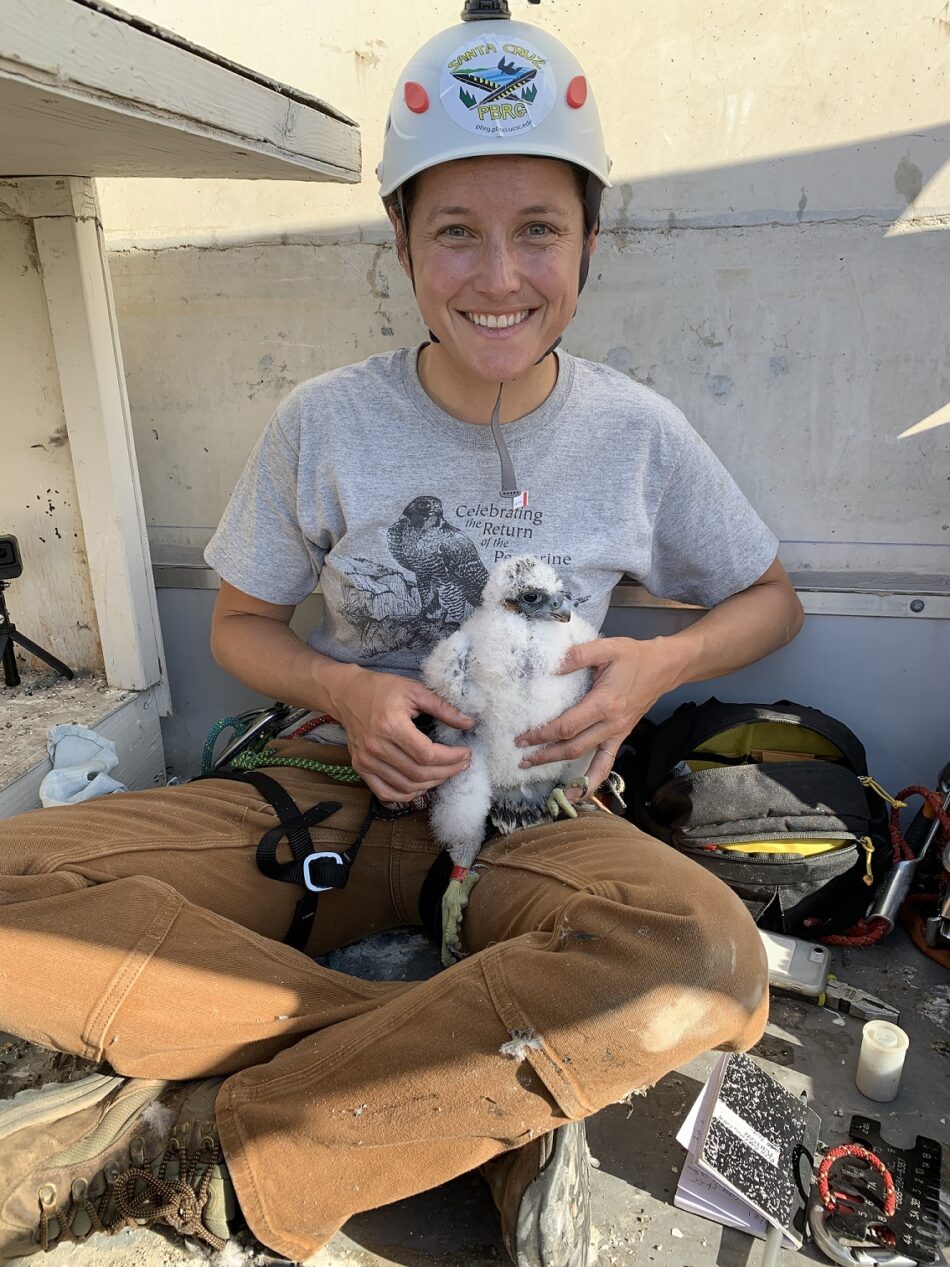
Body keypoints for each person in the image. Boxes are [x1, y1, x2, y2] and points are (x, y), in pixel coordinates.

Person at [0, 6, 803, 1265]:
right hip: (310, 787)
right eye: (454, 234)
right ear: (399, 240)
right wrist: (342, 688)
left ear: (591, 238)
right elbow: (239, 627)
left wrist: (658, 664)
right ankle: (445, 1075)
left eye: (538, 229)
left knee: (702, 959)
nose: (496, 278)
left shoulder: (637, 432)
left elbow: (769, 599)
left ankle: (225, 1150)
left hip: (534, 818)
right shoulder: (322, 421)